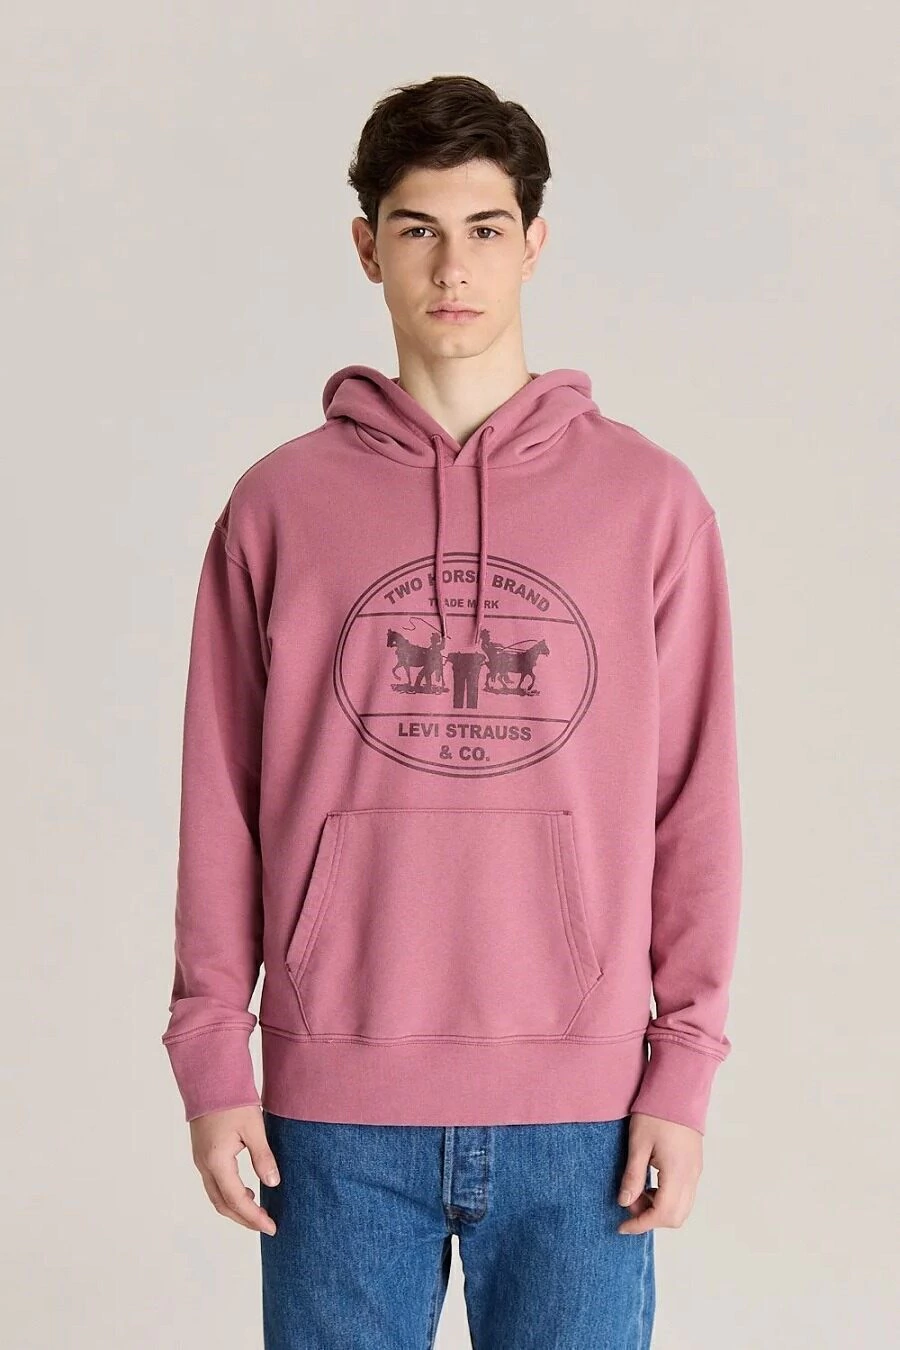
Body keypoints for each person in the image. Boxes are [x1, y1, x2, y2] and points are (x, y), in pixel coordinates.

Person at [161, 73, 743, 1349]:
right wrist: (211, 1052)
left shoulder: (649, 504)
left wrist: (686, 1065)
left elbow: (694, 801)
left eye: (485, 228)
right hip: (331, 1107)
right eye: (417, 228)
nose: (452, 265)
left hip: (587, 1110)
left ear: (535, 244)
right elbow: (220, 796)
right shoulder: (278, 507)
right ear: (367, 247)